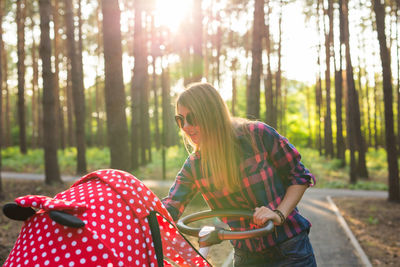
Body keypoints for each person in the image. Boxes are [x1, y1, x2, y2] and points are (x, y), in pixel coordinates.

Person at [162, 82, 317, 267]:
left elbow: (299, 176)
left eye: (192, 118)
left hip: (290, 251)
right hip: (246, 257)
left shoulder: (257, 136)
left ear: (212, 115)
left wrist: (279, 214)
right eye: (180, 119)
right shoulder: (194, 166)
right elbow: (169, 208)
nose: (186, 127)